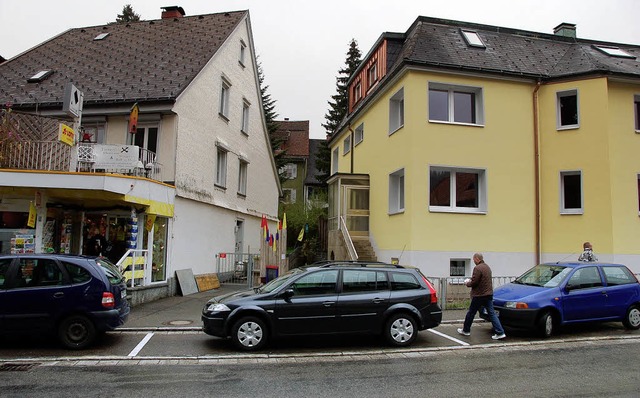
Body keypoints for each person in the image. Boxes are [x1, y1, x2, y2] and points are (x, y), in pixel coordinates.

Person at [457, 253, 506, 340]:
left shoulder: (477, 268)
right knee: (492, 313)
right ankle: (500, 332)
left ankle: (466, 330)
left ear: (477, 259)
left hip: (479, 295)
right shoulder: (487, 267)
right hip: (488, 294)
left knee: (471, 313)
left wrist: (467, 283)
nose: (473, 261)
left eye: (474, 259)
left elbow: (475, 282)